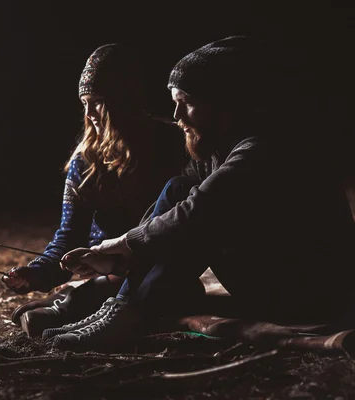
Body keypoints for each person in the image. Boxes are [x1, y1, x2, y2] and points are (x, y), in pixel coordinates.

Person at [50, 36, 355, 352]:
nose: (178, 116)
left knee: (199, 216)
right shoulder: (216, 153)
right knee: (178, 190)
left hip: (311, 293)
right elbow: (173, 205)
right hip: (275, 283)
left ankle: (129, 311)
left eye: (187, 102)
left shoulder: (265, 148)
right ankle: (124, 307)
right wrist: (119, 258)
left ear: (223, 103)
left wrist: (124, 244)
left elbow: (200, 210)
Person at [1, 43, 189, 337]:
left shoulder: (171, 145)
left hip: (153, 262)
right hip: (105, 268)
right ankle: (78, 300)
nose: (89, 113)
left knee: (161, 286)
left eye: (98, 101)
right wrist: (38, 272)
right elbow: (69, 236)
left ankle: (75, 303)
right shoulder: (86, 162)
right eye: (84, 103)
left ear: (123, 101)